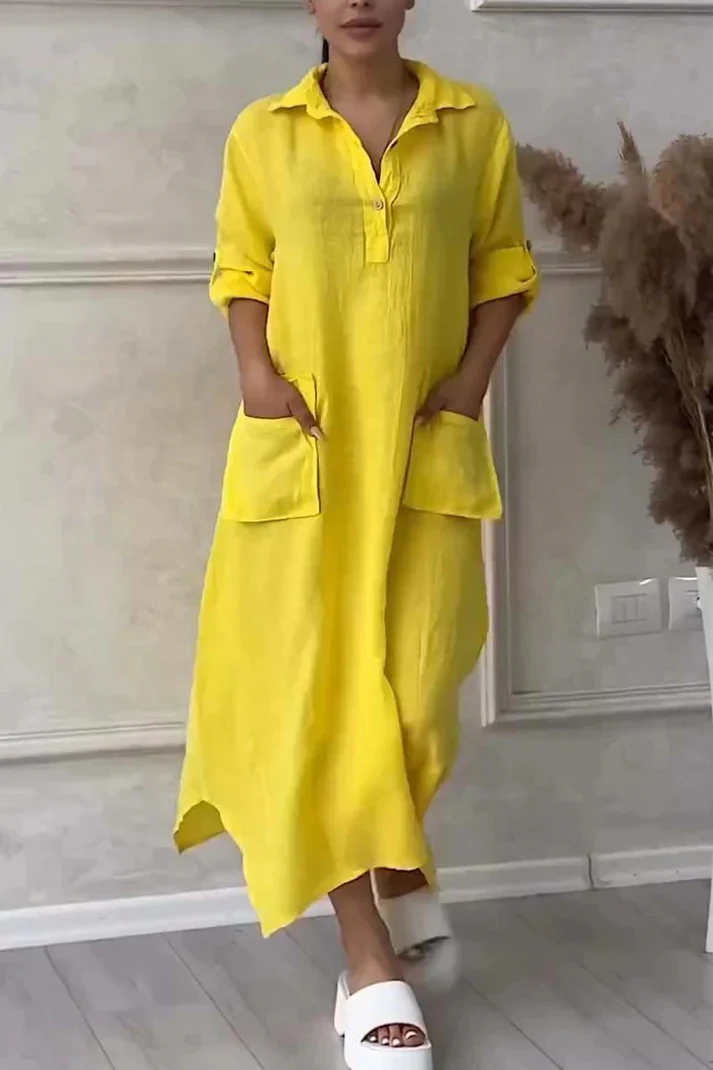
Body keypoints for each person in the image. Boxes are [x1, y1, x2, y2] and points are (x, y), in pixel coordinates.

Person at [175, 0, 538, 1065]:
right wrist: (256, 375)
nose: (359, 1)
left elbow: (502, 269)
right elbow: (241, 270)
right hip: (306, 452)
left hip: (422, 449)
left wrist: (467, 388)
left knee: (418, 691)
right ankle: (368, 959)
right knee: (316, 701)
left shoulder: (472, 123)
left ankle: (399, 859)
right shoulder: (263, 132)